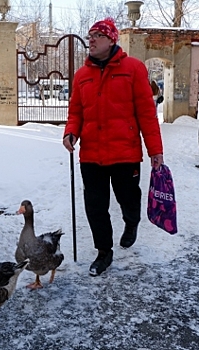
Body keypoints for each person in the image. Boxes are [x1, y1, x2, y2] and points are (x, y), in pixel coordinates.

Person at [62, 17, 164, 277]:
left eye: (97, 35)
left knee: (128, 198)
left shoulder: (133, 69)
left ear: (111, 40)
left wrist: (155, 151)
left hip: (125, 153)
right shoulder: (82, 75)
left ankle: (132, 222)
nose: (91, 40)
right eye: (90, 35)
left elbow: (146, 114)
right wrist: (71, 132)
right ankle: (104, 251)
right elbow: (75, 112)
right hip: (91, 155)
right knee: (95, 206)